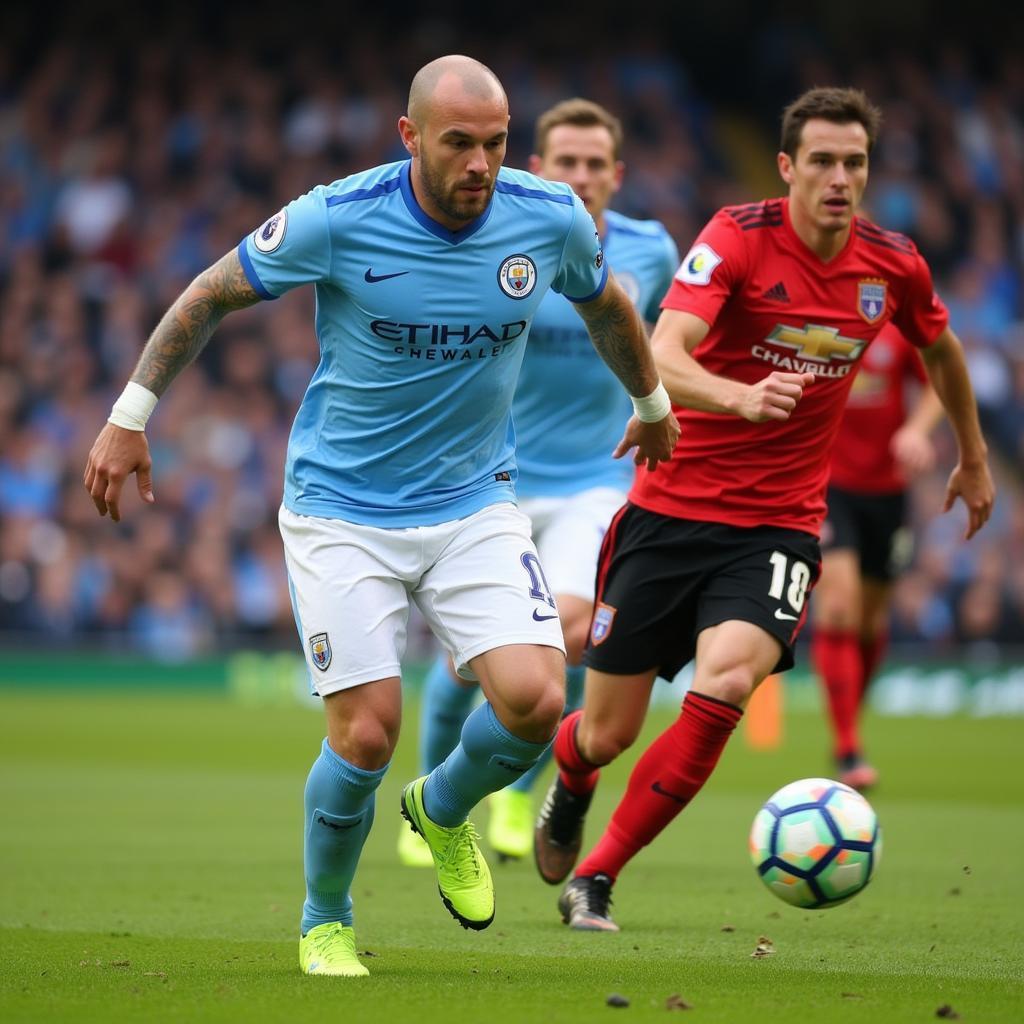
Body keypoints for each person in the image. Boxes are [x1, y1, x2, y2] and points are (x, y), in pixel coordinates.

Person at [82, 55, 679, 976]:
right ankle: (325, 917)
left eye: (495, 144)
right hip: (341, 511)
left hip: (475, 498)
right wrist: (129, 417)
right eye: (458, 144)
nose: (481, 164)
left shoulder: (547, 218)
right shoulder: (339, 217)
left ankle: (439, 809)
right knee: (366, 733)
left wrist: (650, 407)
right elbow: (208, 294)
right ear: (409, 138)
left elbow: (607, 310)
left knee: (536, 699)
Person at [533, 86, 995, 932]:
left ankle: (595, 878)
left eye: (853, 162)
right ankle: (570, 782)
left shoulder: (892, 262)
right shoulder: (735, 240)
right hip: (668, 514)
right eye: (821, 160)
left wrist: (971, 451)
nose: (838, 178)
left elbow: (942, 345)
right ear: (787, 167)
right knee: (605, 732)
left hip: (777, 526)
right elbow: (661, 360)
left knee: (730, 682)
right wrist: (737, 398)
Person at [398, 98, 680, 868]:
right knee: (467, 658)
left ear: (617, 176)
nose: (582, 177)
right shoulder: (500, 237)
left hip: (597, 479)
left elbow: (673, 346)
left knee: (574, 634)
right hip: (497, 475)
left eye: (596, 165)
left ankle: (518, 798)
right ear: (539, 170)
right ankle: (432, 793)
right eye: (567, 163)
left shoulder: (652, 253)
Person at [812, 322, 944, 790]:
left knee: (869, 622)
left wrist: (916, 429)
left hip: (889, 492)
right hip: (827, 484)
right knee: (840, 606)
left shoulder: (897, 326)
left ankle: (848, 721)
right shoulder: (819, 318)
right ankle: (848, 746)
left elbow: (938, 385)